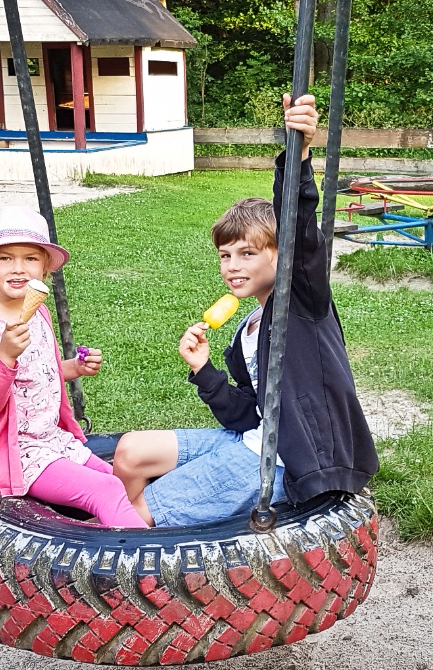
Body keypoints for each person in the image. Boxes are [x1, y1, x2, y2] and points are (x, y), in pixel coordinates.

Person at [113, 93, 378, 527]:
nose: (233, 266)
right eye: (224, 255)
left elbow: (301, 232)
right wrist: (204, 370)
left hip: (283, 461)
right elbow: (246, 414)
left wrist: (299, 154)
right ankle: (130, 536)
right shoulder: (249, 329)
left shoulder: (300, 305)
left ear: (279, 255)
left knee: (135, 513)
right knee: (129, 452)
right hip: (251, 438)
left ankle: (133, 544)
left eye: (247, 253)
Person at [0, 207, 149, 528]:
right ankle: (144, 562)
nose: (18, 268)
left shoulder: (38, 314)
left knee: (123, 480)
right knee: (106, 488)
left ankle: (115, 538)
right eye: (4, 258)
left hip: (52, 440)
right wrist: (5, 356)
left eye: (30, 259)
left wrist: (75, 368)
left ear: (44, 267)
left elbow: (41, 373)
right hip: (13, 452)